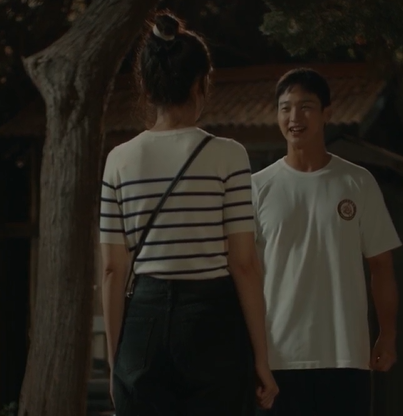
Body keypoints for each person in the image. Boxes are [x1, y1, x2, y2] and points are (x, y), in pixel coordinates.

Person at [98, 11, 279, 416]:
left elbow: (112, 269)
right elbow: (244, 263)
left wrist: (116, 361)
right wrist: (261, 358)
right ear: (201, 83)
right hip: (212, 322)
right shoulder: (229, 155)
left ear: (146, 86)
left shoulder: (119, 160)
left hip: (143, 321)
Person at [251, 67, 402, 415]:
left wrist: (388, 335)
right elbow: (246, 274)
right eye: (286, 108)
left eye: (306, 107)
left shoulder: (357, 182)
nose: (294, 117)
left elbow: (381, 266)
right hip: (279, 358)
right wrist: (253, 352)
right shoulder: (257, 188)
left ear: (327, 113)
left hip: (346, 354)